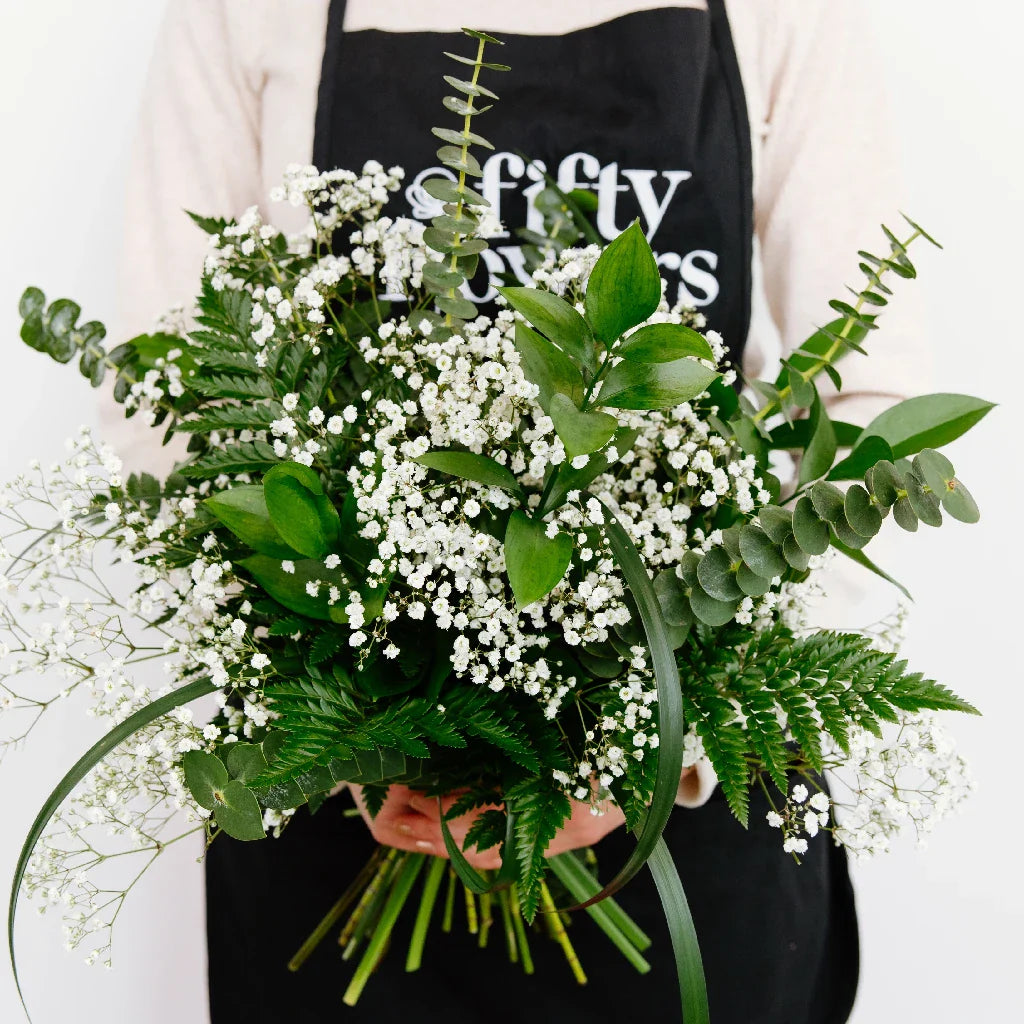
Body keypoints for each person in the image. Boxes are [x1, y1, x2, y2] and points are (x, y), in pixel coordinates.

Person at [113, 2, 927, 1021]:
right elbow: (171, 382)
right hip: (349, 817)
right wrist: (361, 743)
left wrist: (657, 736)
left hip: (686, 825)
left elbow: (868, 406)